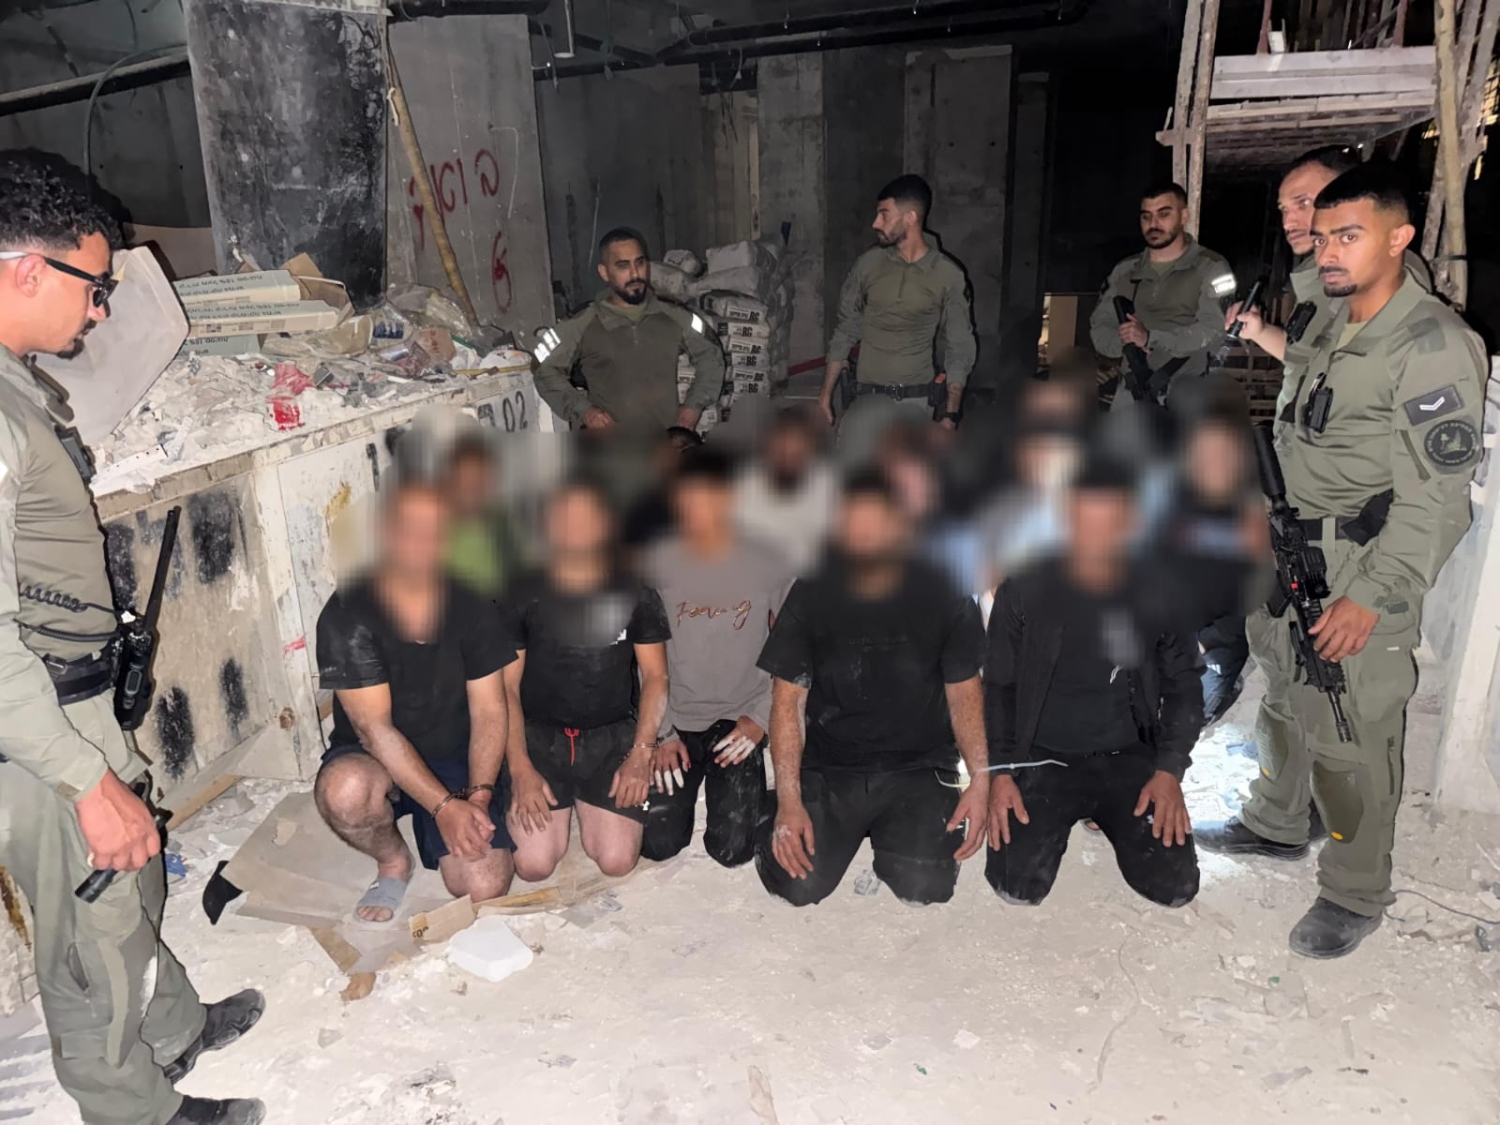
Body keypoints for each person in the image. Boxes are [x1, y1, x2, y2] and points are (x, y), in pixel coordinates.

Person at [0, 150, 263, 1125]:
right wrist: (81, 778)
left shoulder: (14, 388)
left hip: (72, 696)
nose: (102, 310)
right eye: (95, 286)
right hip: (37, 726)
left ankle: (173, 1027)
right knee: (93, 930)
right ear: (28, 270)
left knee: (134, 875)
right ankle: (134, 1110)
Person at [1197, 163, 1487, 958]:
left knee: (1352, 731)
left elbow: (1437, 500)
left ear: (1400, 239)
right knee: (1285, 692)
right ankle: (1276, 819)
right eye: (1320, 235)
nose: (1327, 250)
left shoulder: (1431, 344)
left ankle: (1355, 889)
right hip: (1290, 539)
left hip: (1360, 565)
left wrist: (1375, 595)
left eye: (1347, 235)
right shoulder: (1333, 317)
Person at [754, 471, 990, 906]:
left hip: (919, 764)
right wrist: (789, 801)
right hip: (830, 764)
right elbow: (787, 702)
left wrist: (981, 778)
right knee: (798, 885)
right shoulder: (812, 592)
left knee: (925, 886)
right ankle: (777, 811)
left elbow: (964, 693)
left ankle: (892, 835)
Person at [984, 457, 1203, 908]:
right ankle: (1073, 813)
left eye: (1109, 527)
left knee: (1175, 888)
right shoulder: (1023, 587)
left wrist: (1168, 770)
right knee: (1015, 886)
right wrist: (1000, 773)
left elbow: (1184, 685)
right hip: (1042, 756)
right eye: (1082, 526)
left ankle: (1106, 811)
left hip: (1127, 753)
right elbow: (998, 686)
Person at [314, 480, 517, 924]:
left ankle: (455, 817)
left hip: (454, 752)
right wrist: (443, 808)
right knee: (345, 790)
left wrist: (478, 798)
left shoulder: (472, 599)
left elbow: (489, 710)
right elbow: (375, 730)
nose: (425, 545)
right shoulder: (348, 612)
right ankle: (393, 861)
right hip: (377, 756)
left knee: (484, 886)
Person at [499, 480, 671, 881]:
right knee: (534, 866)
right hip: (540, 739)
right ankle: (562, 805)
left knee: (616, 861)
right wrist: (520, 768)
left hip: (610, 737)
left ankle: (586, 806)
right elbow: (505, 688)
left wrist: (641, 753)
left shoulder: (636, 591)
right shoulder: (521, 592)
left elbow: (656, 676)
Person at [641, 448, 791, 866]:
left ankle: (764, 787)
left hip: (740, 716)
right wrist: (661, 734)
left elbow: (797, 646)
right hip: (677, 717)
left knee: (732, 849)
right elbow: (645, 661)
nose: (695, 511)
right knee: (656, 844)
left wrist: (761, 719)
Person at [1225, 145, 1432, 402]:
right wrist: (1260, 330)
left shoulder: (1384, 272)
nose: (1288, 222)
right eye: (1284, 209)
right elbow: (1305, 360)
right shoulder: (1319, 274)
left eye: (1303, 203)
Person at [820, 175, 977, 460]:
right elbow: (846, 329)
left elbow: (959, 346)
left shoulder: (948, 275)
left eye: (884, 214)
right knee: (853, 482)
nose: (875, 223)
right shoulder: (868, 265)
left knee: (907, 486)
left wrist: (950, 415)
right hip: (865, 402)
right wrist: (825, 396)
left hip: (915, 407)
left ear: (910, 218)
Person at [531, 227, 726, 433]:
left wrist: (694, 406)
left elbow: (711, 355)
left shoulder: (675, 316)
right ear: (604, 272)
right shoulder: (583, 323)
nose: (634, 274)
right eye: (623, 266)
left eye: (639, 263)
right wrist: (585, 411)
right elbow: (543, 368)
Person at [1089, 181, 1236, 409]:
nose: (1153, 224)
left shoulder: (1213, 267)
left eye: (1163, 214)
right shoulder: (1124, 271)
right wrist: (1126, 341)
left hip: (1189, 394)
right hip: (1132, 393)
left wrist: (1150, 338)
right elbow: (1100, 326)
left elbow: (1215, 331)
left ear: (1184, 216)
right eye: (1146, 216)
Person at [733, 406, 838, 575]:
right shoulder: (747, 481)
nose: (788, 455)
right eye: (782, 449)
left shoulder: (826, 483)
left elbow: (821, 549)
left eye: (796, 452)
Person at [444, 428, 524, 603]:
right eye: (466, 481)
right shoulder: (437, 533)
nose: (473, 490)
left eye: (480, 480)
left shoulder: (503, 524)